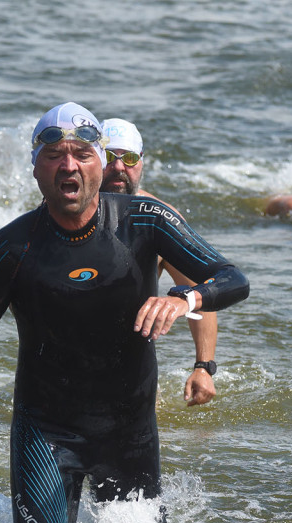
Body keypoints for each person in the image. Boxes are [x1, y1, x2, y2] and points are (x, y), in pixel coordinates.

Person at [0, 103, 249, 523]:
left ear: (99, 162)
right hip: (45, 433)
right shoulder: (11, 249)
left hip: (129, 432)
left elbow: (233, 278)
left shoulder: (146, 222)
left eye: (80, 153)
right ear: (35, 167)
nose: (69, 165)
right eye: (54, 154)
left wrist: (187, 300)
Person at [100, 117, 219, 406]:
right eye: (107, 156)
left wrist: (204, 367)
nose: (119, 167)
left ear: (141, 162)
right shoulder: (62, 214)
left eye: (128, 158)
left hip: (132, 368)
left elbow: (200, 292)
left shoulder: (161, 221)